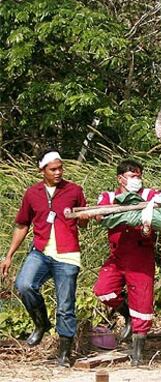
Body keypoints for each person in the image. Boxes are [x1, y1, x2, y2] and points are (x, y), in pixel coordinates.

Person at [0, 150, 88, 367]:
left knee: (65, 305)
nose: (58, 172)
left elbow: (83, 221)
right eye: (53, 169)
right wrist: (8, 255)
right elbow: (22, 225)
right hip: (41, 251)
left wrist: (85, 218)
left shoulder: (74, 190)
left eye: (60, 168)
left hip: (67, 255)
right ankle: (41, 324)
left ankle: (64, 354)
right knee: (24, 285)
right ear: (42, 171)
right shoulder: (32, 194)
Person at [93, 159, 161, 366]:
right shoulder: (109, 197)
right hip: (117, 257)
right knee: (104, 290)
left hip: (141, 256)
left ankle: (137, 353)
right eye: (132, 176)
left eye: (139, 176)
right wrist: (117, 212)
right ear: (120, 178)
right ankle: (126, 314)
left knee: (143, 303)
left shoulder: (149, 195)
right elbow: (99, 216)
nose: (137, 180)